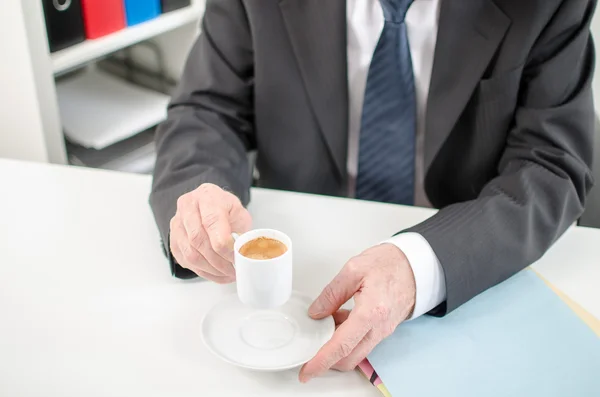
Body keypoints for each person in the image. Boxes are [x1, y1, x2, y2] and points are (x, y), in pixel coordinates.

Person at [149, 0, 596, 382]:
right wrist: (200, 195)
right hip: (298, 277)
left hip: (460, 273)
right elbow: (207, 109)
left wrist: (421, 266)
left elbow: (551, 164)